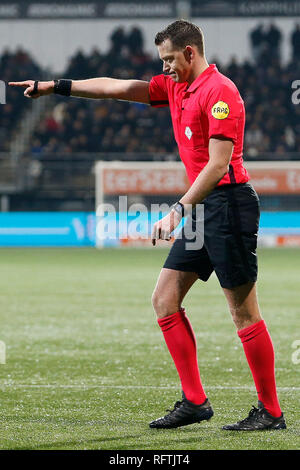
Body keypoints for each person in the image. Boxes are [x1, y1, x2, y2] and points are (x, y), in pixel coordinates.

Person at [9, 20, 286, 432]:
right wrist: (56, 86)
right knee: (164, 300)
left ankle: (271, 412)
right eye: (163, 61)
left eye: (170, 59)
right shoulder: (174, 87)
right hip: (203, 209)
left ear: (190, 52)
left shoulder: (221, 92)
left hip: (228, 206)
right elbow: (117, 88)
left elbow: (219, 165)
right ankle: (195, 401)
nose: (165, 68)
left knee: (243, 314)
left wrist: (177, 210)